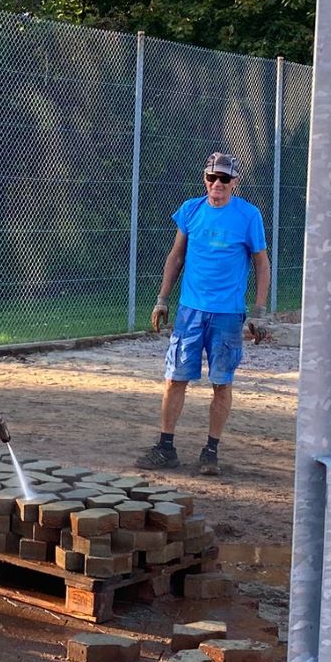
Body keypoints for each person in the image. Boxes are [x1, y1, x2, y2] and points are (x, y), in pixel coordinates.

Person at [136, 150, 270, 477]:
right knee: (175, 378)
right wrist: (162, 299)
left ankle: (211, 451)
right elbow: (176, 257)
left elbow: (262, 264)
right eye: (212, 177)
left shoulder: (248, 216)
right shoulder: (191, 210)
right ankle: (165, 447)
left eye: (224, 178)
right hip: (190, 312)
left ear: (235, 182)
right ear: (205, 179)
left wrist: (259, 312)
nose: (217, 183)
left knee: (221, 382)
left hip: (227, 314)